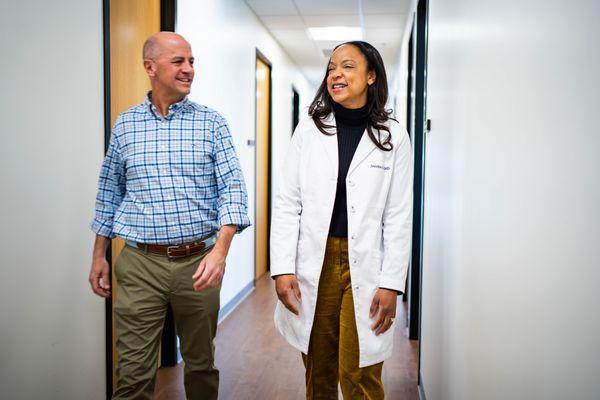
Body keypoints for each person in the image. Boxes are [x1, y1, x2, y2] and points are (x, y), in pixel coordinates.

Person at [88, 32, 250, 400]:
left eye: (191, 61)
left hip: (198, 263)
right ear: (150, 67)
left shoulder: (212, 123)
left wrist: (220, 251)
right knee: (131, 373)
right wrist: (99, 255)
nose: (189, 69)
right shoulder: (125, 125)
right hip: (140, 263)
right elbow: (108, 191)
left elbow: (233, 190)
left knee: (201, 365)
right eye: (179, 62)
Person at [270, 41, 413, 399]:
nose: (336, 74)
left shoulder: (393, 136)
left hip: (367, 263)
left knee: (360, 372)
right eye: (332, 67)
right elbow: (288, 202)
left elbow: (398, 214)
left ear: (371, 76)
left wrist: (392, 283)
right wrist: (283, 268)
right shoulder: (309, 130)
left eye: (348, 66)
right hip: (314, 261)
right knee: (318, 369)